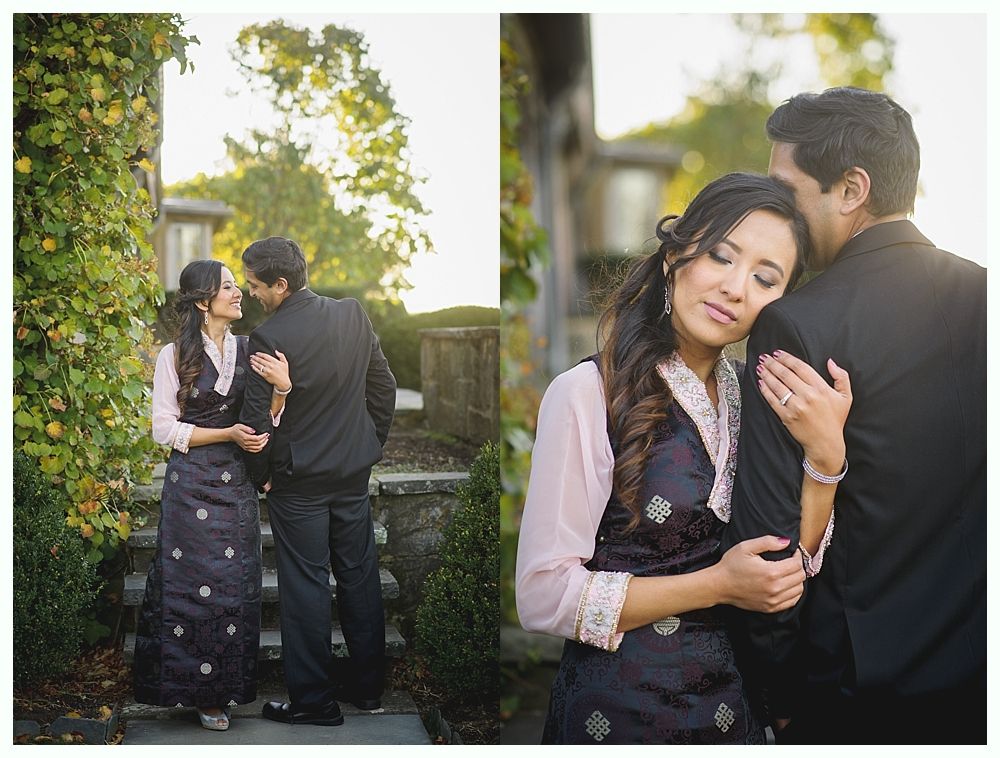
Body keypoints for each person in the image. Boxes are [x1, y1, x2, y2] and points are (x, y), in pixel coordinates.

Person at [515, 173, 853, 744]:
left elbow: (790, 568)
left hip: (735, 715)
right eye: (722, 256)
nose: (736, 288)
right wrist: (718, 584)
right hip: (617, 717)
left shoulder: (761, 399)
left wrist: (826, 453)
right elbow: (543, 596)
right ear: (676, 255)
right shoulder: (588, 392)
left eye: (765, 278)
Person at [721, 87, 986, 744]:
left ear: (851, 189)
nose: (777, 208)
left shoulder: (795, 323)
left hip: (848, 698)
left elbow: (767, 538)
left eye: (787, 189)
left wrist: (778, 695)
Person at [237, 236, 397, 727]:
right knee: (358, 575)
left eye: (256, 285)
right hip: (351, 472)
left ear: (280, 285)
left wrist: (260, 478)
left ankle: (314, 702)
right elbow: (384, 388)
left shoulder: (268, 337)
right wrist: (367, 446)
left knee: (305, 585)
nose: (251, 294)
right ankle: (368, 690)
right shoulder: (352, 313)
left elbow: (255, 420)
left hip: (298, 480)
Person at [134, 260, 291, 731]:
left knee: (232, 591)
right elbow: (164, 429)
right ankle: (194, 692)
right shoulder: (172, 356)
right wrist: (227, 435)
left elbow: (264, 419)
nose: (239, 292)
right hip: (189, 485)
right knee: (188, 590)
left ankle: (224, 691)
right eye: (227, 287)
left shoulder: (250, 349)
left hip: (236, 487)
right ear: (204, 301)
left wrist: (282, 389)